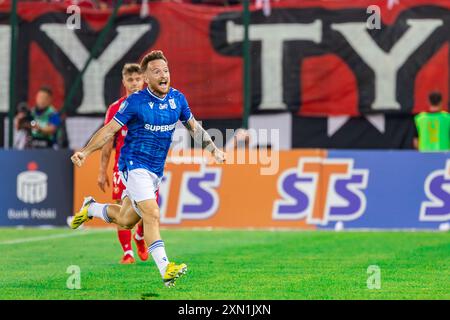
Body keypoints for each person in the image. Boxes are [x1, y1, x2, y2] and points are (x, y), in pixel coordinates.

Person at [69, 50, 226, 287]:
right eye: (156, 71)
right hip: (133, 165)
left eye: (166, 70)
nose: (163, 75)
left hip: (154, 171)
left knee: (126, 220)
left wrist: (214, 149)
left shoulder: (177, 99)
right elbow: (109, 130)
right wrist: (85, 152)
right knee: (152, 213)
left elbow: (194, 128)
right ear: (145, 77)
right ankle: (166, 269)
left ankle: (91, 208)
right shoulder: (135, 102)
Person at [98, 63, 148, 264]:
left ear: (143, 80)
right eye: (130, 80)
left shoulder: (151, 104)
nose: (134, 83)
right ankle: (127, 252)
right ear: (124, 82)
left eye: (137, 79)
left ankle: (140, 237)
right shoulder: (115, 109)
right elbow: (107, 141)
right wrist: (102, 171)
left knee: (146, 208)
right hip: (122, 165)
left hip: (146, 165)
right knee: (120, 207)